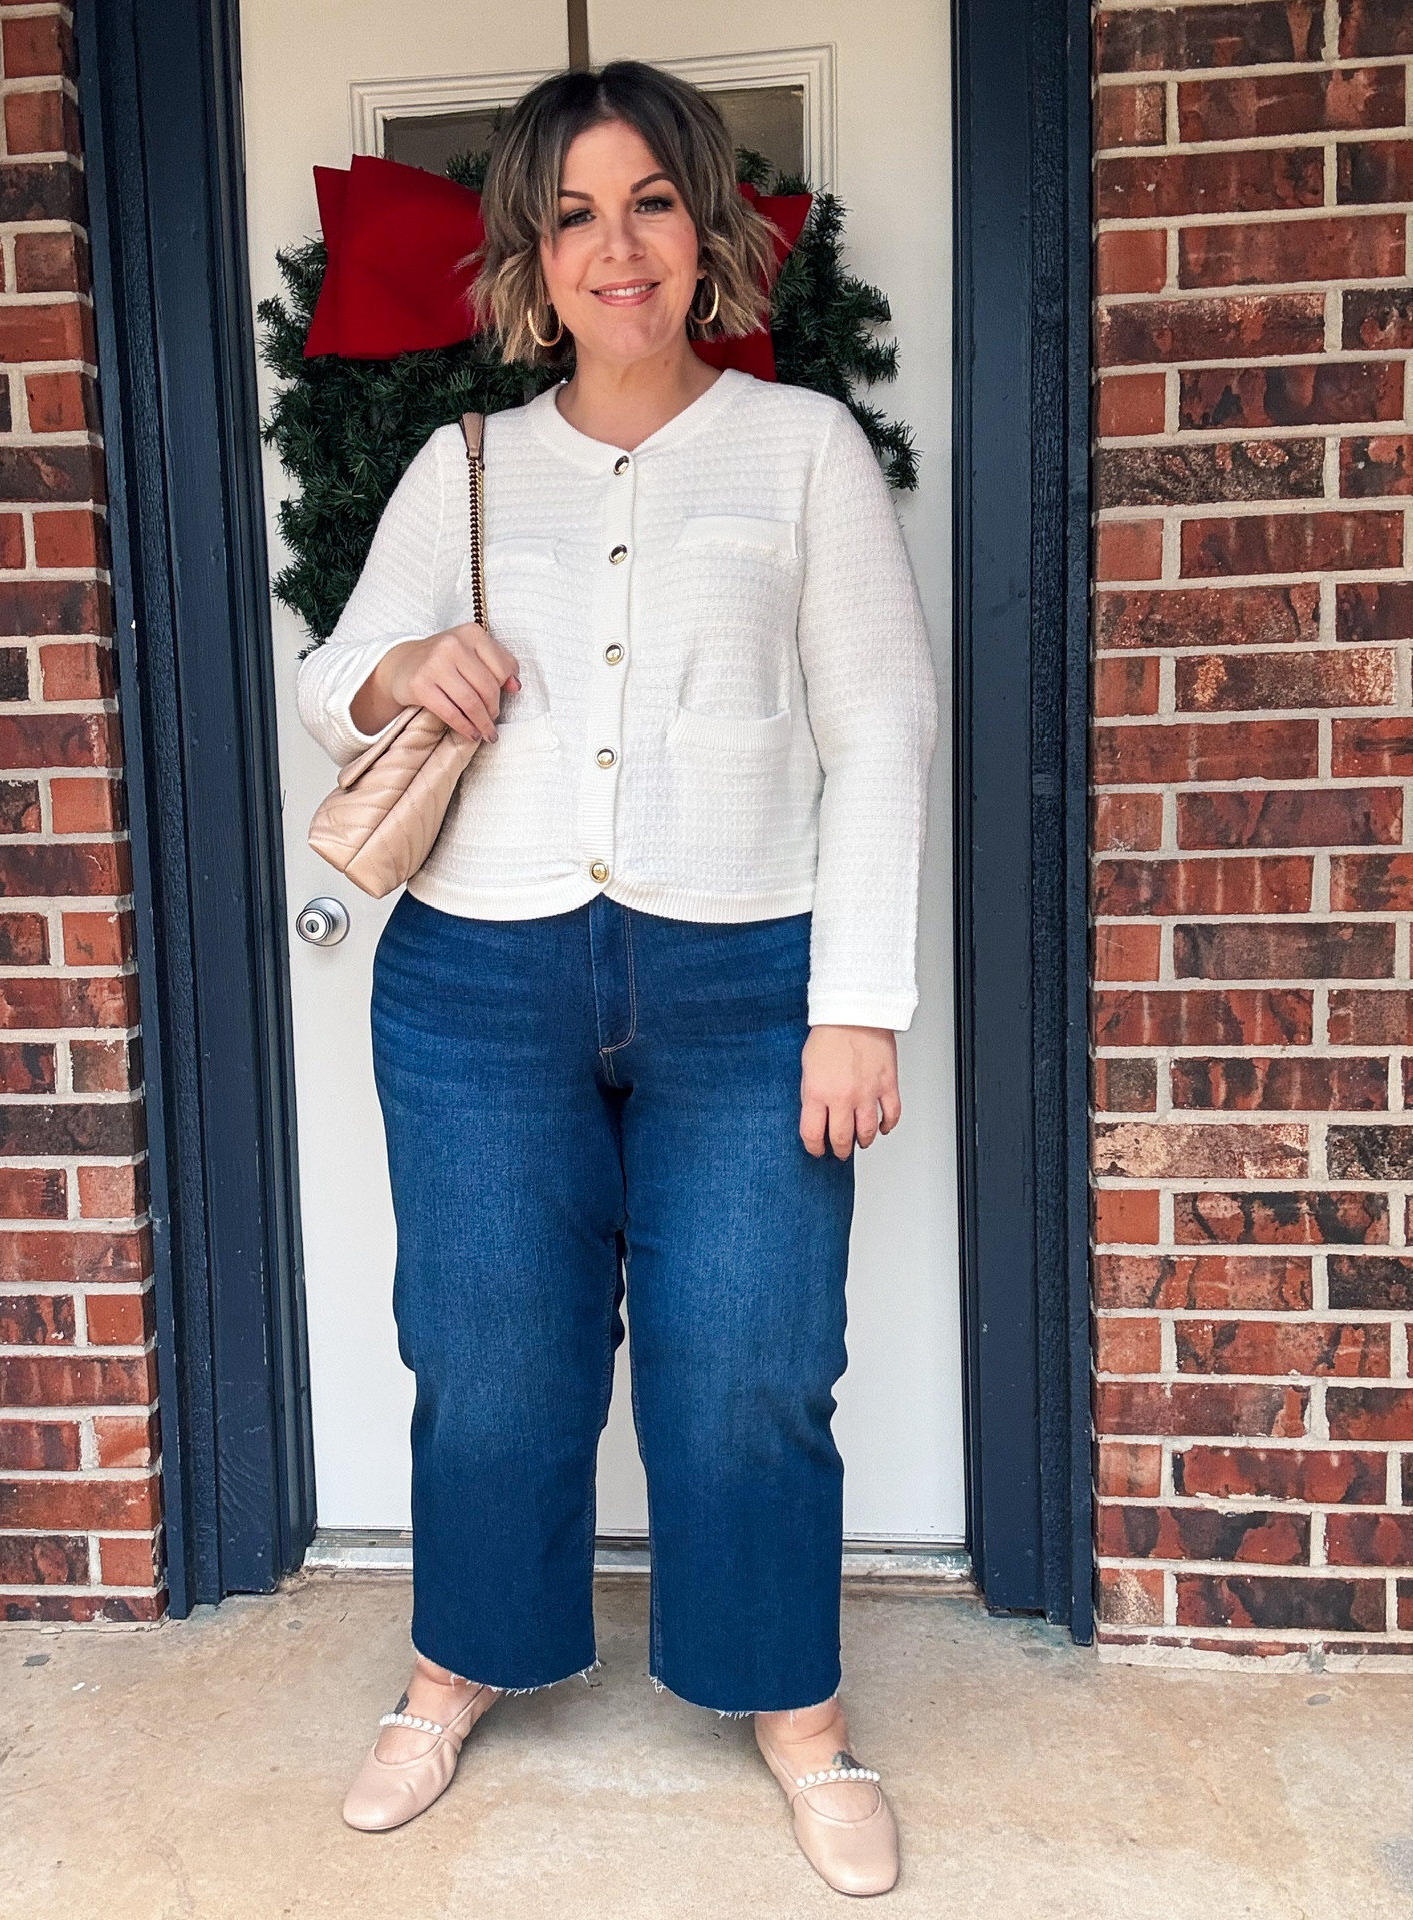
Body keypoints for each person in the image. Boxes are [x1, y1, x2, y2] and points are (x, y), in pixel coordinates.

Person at [296, 59, 937, 1898]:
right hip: (476, 989)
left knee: (752, 1366)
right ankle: (456, 1665)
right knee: (487, 1358)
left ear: (705, 226)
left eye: (649, 200)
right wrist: (405, 664)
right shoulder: (465, 465)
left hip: (749, 987)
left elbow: (880, 726)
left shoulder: (802, 449)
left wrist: (858, 1002)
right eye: (574, 213)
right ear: (531, 255)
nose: (617, 245)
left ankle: (796, 1708)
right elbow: (331, 681)